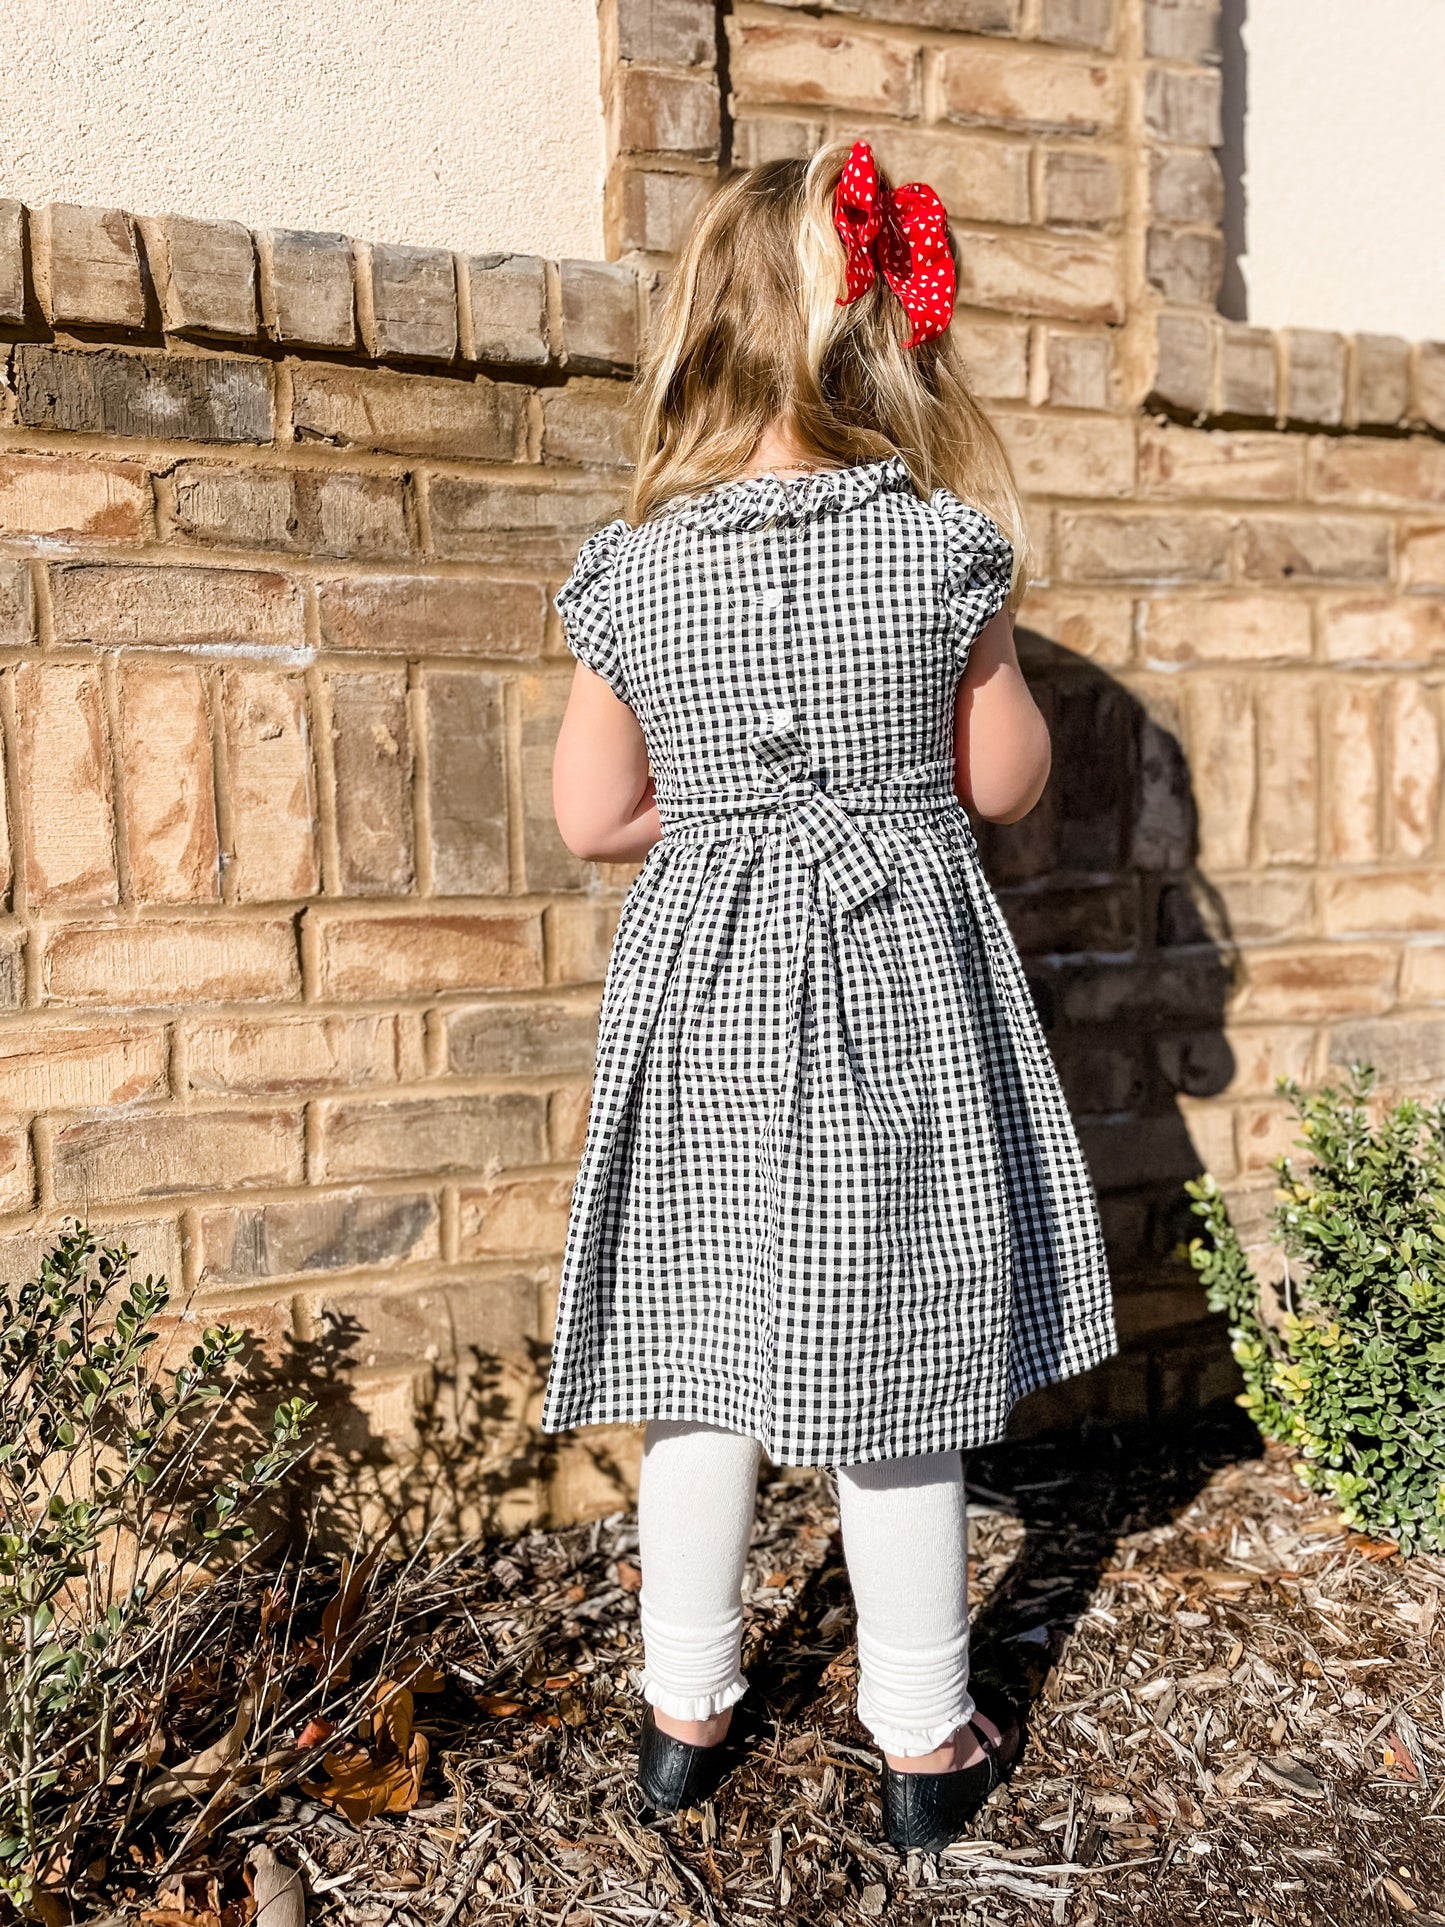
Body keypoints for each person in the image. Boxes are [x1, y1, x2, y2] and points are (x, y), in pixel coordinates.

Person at [544, 138, 1117, 1853]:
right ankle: (922, 1736)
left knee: (705, 1359)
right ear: (885, 344)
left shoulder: (634, 564)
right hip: (896, 993)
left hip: (709, 988)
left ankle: (685, 1707)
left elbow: (593, 818)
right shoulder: (941, 548)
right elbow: (1002, 781)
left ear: (705, 335)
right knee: (901, 1362)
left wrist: (727, 819)